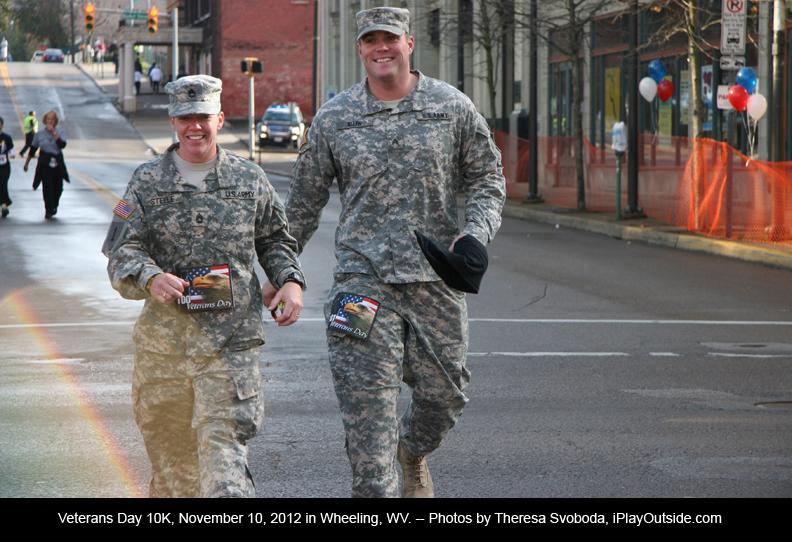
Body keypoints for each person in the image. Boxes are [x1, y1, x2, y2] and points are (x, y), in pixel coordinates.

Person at [269, 7, 505, 498]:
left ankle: (411, 451)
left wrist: (475, 234)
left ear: (409, 44)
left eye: (390, 38)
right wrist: (282, 271)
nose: (382, 47)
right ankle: (380, 476)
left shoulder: (451, 106)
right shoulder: (335, 118)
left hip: (435, 282)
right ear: (360, 49)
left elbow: (488, 177)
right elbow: (302, 205)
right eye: (371, 40)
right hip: (362, 286)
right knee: (370, 446)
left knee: (445, 397)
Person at [103, 75, 305, 498]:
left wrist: (289, 280)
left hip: (229, 347)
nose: (194, 127)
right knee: (174, 478)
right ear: (173, 122)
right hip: (165, 353)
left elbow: (275, 241)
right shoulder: (144, 182)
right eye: (185, 118)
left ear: (220, 119)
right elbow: (121, 251)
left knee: (224, 470)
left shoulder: (250, 179)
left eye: (203, 117)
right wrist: (151, 277)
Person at [23, 110, 68, 219]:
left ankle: (54, 205)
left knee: (58, 187)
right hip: (45, 162)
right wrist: (26, 163)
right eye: (48, 119)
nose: (50, 121)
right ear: (45, 121)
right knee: (47, 186)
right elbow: (33, 149)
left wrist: (54, 132)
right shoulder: (39, 134)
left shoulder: (60, 132)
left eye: (52, 119)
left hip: (56, 162)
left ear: (55, 121)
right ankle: (49, 209)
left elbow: (62, 145)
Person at [0, 116, 15, 218]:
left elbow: (10, 147)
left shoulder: (6, 137)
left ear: (2, 125)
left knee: (3, 183)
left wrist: (12, 154)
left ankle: (4, 205)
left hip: (4, 165)